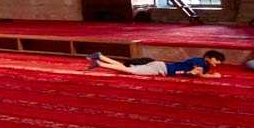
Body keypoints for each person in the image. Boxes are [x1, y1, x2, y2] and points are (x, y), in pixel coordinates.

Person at [88, 50, 224, 78]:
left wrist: (212, 75)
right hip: (161, 68)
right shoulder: (200, 61)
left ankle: (100, 56)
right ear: (209, 57)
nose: (217, 63)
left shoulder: (205, 66)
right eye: (216, 60)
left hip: (160, 66)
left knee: (125, 68)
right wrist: (214, 76)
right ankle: (99, 63)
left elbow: (200, 74)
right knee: (130, 71)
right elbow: (197, 72)